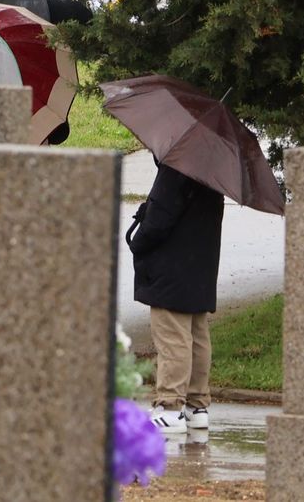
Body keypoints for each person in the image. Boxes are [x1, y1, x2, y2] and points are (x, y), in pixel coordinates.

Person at [126, 160, 225, 435]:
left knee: (173, 336)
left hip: (172, 265)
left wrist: (139, 239)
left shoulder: (178, 164)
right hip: (199, 265)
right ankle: (197, 406)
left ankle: (170, 407)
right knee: (197, 334)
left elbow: (159, 217)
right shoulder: (213, 168)